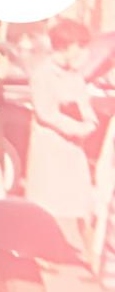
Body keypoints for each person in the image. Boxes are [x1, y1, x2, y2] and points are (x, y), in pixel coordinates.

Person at [25, 19, 97, 256]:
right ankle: (37, 250)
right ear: (67, 45)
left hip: (73, 149)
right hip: (51, 147)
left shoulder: (75, 76)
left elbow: (86, 107)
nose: (83, 52)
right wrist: (75, 128)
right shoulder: (43, 74)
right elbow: (46, 113)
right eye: (80, 45)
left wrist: (88, 123)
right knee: (46, 202)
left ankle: (82, 253)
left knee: (79, 203)